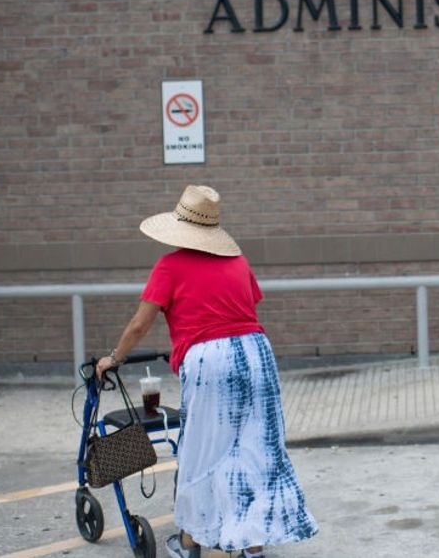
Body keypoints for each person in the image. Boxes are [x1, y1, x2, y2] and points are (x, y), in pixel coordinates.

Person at [96, 185, 318, 558]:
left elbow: (139, 325)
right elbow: (246, 310)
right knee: (255, 449)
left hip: (210, 359)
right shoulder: (238, 263)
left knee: (201, 449)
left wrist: (113, 358)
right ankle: (253, 544)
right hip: (256, 353)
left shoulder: (170, 266)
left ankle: (189, 542)